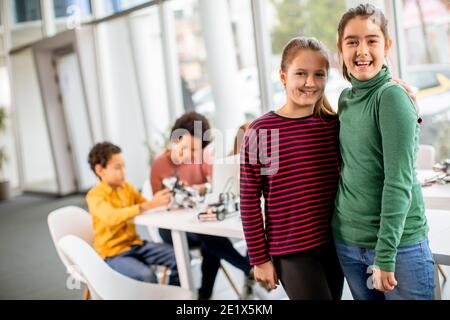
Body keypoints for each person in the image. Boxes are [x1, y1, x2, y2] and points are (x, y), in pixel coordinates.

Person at [332, 3, 434, 300]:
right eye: (352, 41)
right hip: (349, 243)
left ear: (387, 45)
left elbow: (398, 181)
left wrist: (385, 254)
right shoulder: (345, 99)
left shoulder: (391, 96)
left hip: (396, 247)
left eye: (371, 40)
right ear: (340, 48)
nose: (361, 51)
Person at [240, 37, 344, 300]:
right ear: (283, 76)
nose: (310, 82)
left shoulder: (333, 125)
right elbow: (250, 200)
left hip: (335, 243)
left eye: (318, 74)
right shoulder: (262, 131)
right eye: (301, 73)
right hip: (291, 250)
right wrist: (259, 258)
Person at [151, 112, 253, 300]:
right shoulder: (159, 164)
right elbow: (157, 203)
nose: (189, 155)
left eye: (194, 150)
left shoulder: (202, 159)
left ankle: (204, 297)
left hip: (197, 223)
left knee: (209, 241)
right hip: (170, 229)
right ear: (175, 139)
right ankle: (250, 269)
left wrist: (204, 188)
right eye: (186, 147)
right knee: (209, 238)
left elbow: (217, 184)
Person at [86, 142, 179, 285]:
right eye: (117, 167)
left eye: (124, 166)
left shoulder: (126, 188)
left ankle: (173, 295)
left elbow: (147, 205)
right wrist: (148, 205)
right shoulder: (94, 196)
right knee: (147, 276)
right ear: (100, 170)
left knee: (180, 258)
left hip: (136, 245)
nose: (124, 172)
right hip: (113, 254)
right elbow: (112, 217)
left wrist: (160, 201)